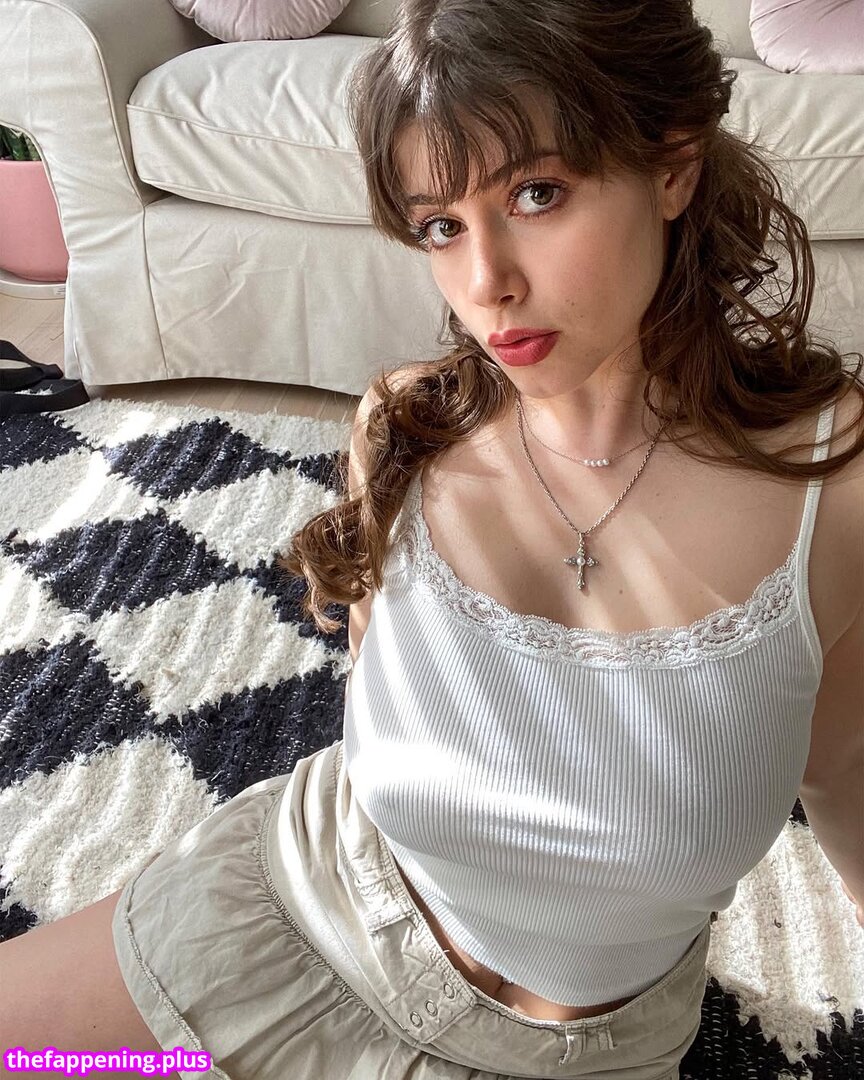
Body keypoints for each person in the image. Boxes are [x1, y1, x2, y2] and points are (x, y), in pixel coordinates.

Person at [2, 0, 863, 1078]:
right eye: (441, 226)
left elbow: (845, 764)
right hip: (289, 915)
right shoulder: (407, 431)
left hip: (574, 1053)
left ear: (674, 168)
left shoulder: (832, 485)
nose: (485, 282)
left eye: (536, 194)